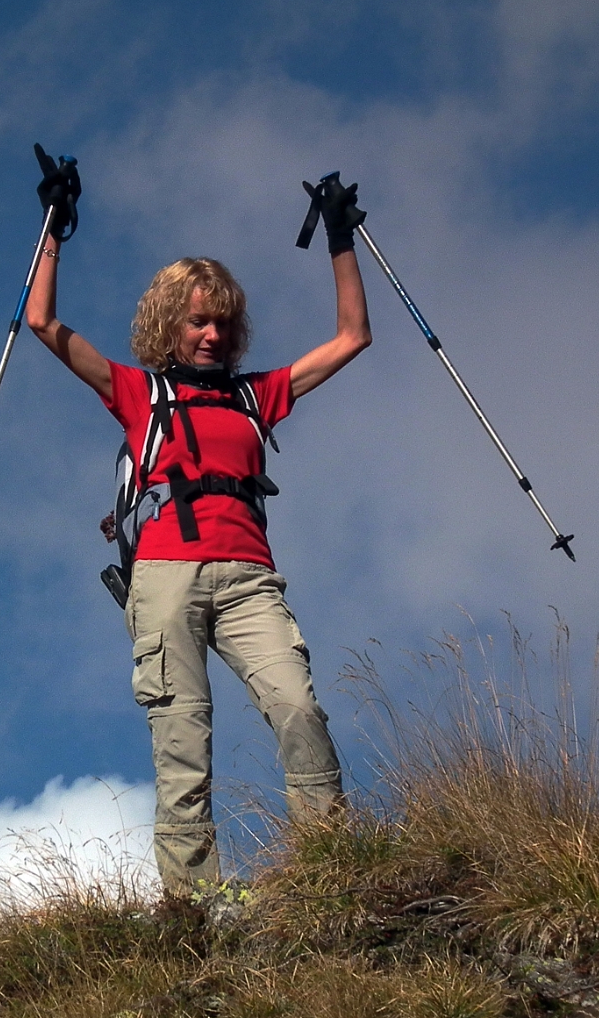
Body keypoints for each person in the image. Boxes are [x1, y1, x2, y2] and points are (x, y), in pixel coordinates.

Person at [25, 168, 372, 897]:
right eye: (196, 321)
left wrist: (341, 237)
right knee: (183, 745)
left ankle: (332, 870)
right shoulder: (138, 392)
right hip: (163, 574)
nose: (212, 333)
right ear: (169, 325)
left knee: (298, 707)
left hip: (249, 575)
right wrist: (54, 230)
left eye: (221, 321)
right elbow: (44, 326)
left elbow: (351, 337)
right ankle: (193, 907)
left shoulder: (256, 395)